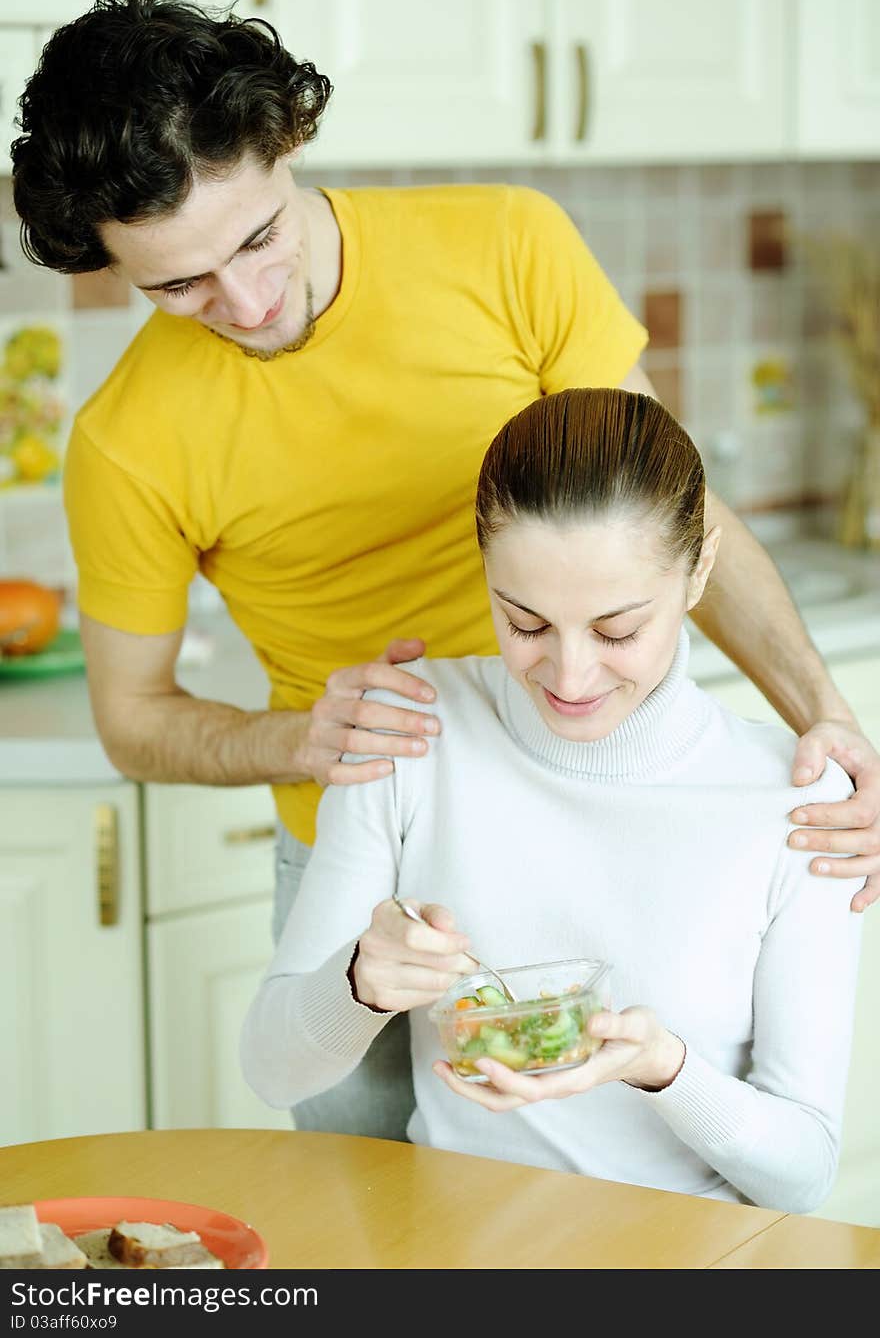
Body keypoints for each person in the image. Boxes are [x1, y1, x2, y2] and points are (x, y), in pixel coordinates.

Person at [11, 0, 879, 1145]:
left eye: (257, 237)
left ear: (288, 140)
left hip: (600, 816)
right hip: (366, 866)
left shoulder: (506, 243)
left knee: (654, 1170)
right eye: (178, 286)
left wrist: (827, 717)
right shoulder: (125, 441)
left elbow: (669, 510)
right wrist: (300, 740)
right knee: (378, 1227)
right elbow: (134, 720)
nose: (248, 299)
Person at [241, 388, 863, 1212]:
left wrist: (665, 1070)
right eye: (525, 622)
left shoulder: (796, 801)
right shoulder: (410, 733)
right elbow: (271, 1070)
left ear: (701, 570)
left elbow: (806, 1171)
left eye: (617, 631)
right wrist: (358, 981)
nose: (570, 679)